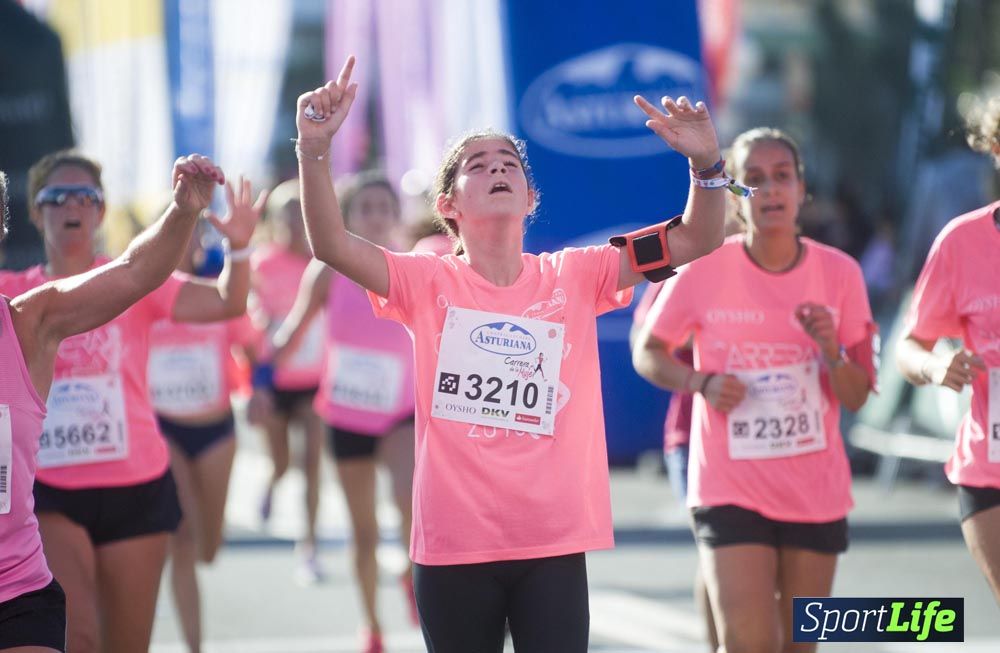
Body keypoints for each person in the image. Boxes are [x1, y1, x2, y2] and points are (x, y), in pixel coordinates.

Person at [293, 55, 726, 652]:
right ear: (449, 206)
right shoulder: (426, 281)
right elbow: (331, 243)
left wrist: (706, 165)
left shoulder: (577, 274)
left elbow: (698, 238)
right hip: (453, 545)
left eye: (510, 164)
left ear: (529, 199)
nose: (498, 169)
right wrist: (313, 150)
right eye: (479, 165)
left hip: (551, 543)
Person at [0, 150, 259, 653]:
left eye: (85, 196)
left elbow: (161, 278)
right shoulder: (17, 295)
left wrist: (227, 241)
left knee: (125, 644)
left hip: (133, 484)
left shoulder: (51, 306)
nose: (71, 206)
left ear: (100, 210)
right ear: (34, 213)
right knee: (79, 636)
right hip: (50, 490)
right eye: (56, 198)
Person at [633, 127, 877, 653]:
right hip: (729, 486)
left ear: (801, 189)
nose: (769, 191)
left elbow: (857, 395)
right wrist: (701, 381)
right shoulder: (703, 268)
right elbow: (647, 351)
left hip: (815, 490)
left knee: (798, 646)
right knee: (749, 645)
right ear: (736, 196)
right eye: (753, 180)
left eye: (782, 177)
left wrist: (832, 351)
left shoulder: (841, 274)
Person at [265, 171, 417, 652]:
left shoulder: (410, 267)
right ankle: (372, 624)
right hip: (348, 415)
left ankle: (412, 577)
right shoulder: (327, 270)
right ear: (348, 217)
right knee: (364, 530)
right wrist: (263, 380)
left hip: (400, 412)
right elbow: (291, 333)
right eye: (365, 208)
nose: (375, 216)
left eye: (383, 207)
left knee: (413, 516)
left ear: (396, 215)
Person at [148, 181, 266, 653]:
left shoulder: (217, 297)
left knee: (208, 548)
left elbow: (253, 346)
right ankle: (194, 646)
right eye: (180, 235)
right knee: (181, 537)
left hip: (215, 430)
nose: (191, 245)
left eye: (197, 236)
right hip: (164, 430)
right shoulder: (141, 301)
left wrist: (259, 391)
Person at [896, 95, 1000, 604]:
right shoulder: (962, 242)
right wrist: (937, 365)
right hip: (990, 468)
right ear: (996, 147)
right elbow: (910, 346)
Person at [247, 179, 327, 584]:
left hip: (317, 381)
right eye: (287, 214)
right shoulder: (261, 263)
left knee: (312, 464)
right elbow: (248, 327)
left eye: (301, 213)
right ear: (274, 221)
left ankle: (309, 547)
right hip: (274, 380)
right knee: (282, 462)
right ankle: (271, 481)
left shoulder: (325, 261)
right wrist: (255, 381)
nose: (296, 222)